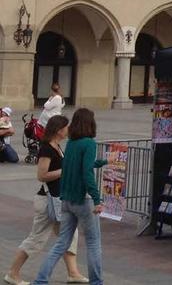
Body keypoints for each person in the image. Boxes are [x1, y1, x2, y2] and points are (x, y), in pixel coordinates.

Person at [5, 116, 89, 285]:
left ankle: (73, 273)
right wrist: (64, 171)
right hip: (47, 202)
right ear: (59, 130)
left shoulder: (57, 147)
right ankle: (12, 273)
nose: (68, 130)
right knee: (37, 239)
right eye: (66, 127)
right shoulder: (46, 149)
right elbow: (42, 176)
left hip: (59, 200)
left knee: (70, 235)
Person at [32, 108, 107, 285]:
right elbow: (86, 172)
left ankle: (40, 280)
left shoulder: (71, 143)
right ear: (91, 123)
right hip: (84, 200)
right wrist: (97, 199)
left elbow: (76, 166)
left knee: (61, 243)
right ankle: (97, 282)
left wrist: (100, 162)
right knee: (93, 243)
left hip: (67, 200)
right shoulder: (89, 143)